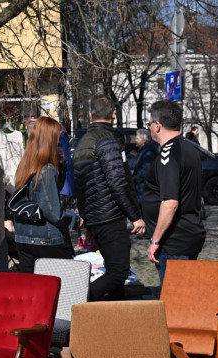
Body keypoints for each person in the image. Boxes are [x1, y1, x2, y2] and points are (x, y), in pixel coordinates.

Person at [72, 96, 145, 300]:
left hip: (96, 217)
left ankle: (114, 322)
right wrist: (135, 216)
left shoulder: (82, 142)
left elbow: (80, 185)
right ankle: (78, 302)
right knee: (119, 271)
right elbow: (118, 182)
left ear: (90, 115)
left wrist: (86, 217)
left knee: (115, 273)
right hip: (109, 216)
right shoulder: (107, 140)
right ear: (113, 115)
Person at [142, 100, 205, 283]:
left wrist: (154, 241)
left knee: (174, 302)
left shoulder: (168, 152)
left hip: (174, 242)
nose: (150, 128)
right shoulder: (189, 147)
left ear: (158, 125)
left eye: (150, 124)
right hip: (187, 235)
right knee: (183, 298)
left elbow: (170, 203)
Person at [11, 116, 81, 273]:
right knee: (70, 283)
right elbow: (53, 211)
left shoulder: (25, 165)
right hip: (46, 239)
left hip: (23, 238)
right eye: (57, 138)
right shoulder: (47, 170)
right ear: (50, 140)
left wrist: (61, 166)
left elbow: (49, 193)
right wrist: (75, 219)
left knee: (33, 289)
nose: (59, 142)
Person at [130, 128, 158, 205]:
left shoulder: (148, 152)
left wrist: (136, 177)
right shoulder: (144, 151)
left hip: (143, 189)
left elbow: (146, 170)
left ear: (144, 140)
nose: (135, 140)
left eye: (137, 138)